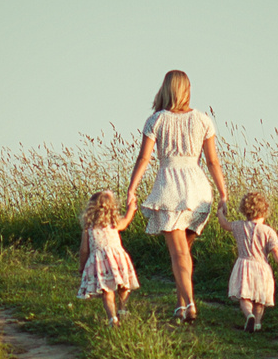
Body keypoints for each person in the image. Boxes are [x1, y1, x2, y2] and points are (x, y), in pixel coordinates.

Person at [122, 69, 228, 324]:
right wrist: (223, 193)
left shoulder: (156, 120)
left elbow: (144, 158)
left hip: (170, 188)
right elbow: (212, 162)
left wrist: (132, 188)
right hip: (198, 189)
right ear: (187, 90)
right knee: (185, 252)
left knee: (178, 253)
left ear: (165, 89)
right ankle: (181, 305)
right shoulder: (203, 120)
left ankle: (189, 303)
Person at [218, 192, 278, 332]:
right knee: (259, 299)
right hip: (262, 268)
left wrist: (220, 213)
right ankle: (257, 323)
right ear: (265, 211)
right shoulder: (268, 231)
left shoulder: (239, 225)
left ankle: (248, 315)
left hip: (244, 265)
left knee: (244, 296)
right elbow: (276, 250)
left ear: (245, 210)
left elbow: (225, 224)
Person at [77, 190, 140, 323]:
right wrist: (131, 208)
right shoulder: (114, 223)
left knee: (107, 290)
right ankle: (122, 309)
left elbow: (84, 250)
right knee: (123, 286)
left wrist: (82, 266)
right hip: (118, 259)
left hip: (100, 263)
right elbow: (126, 220)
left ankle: (112, 318)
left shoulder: (89, 228)